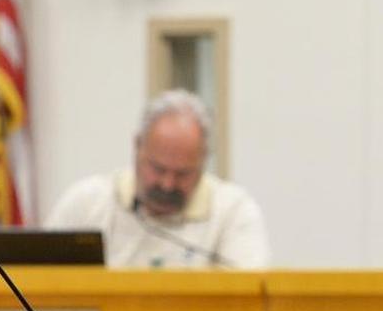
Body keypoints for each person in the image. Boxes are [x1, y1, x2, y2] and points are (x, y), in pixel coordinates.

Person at [45, 90, 270, 268]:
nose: (167, 184)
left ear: (204, 160)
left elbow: (250, 298)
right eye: (158, 169)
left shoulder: (233, 212)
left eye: (183, 174)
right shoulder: (87, 203)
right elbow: (39, 282)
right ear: (137, 146)